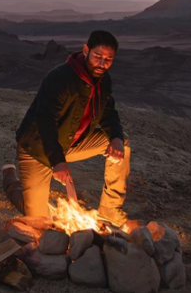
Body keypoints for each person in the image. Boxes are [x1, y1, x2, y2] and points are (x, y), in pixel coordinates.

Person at [14, 30, 129, 223]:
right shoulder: (60, 78)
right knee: (38, 219)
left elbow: (109, 114)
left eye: (108, 59)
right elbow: (45, 121)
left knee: (122, 142)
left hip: (70, 146)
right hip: (38, 151)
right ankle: (10, 177)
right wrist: (58, 162)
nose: (102, 64)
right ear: (86, 50)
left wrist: (116, 139)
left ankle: (110, 209)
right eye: (97, 57)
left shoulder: (103, 81)